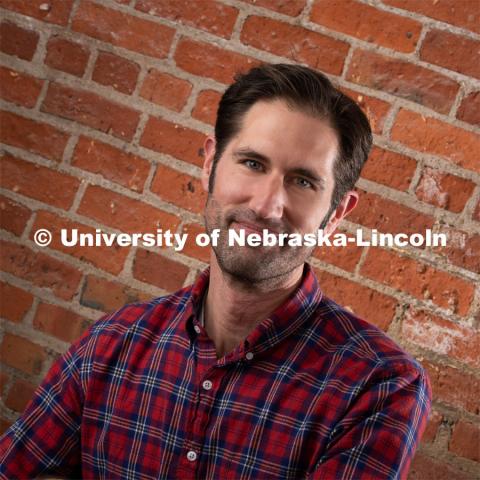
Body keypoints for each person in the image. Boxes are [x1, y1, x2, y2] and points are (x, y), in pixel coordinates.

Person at [0, 63, 431, 479]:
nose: (265, 206)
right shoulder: (110, 345)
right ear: (210, 164)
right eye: (253, 164)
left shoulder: (380, 387)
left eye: (302, 181)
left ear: (336, 212)